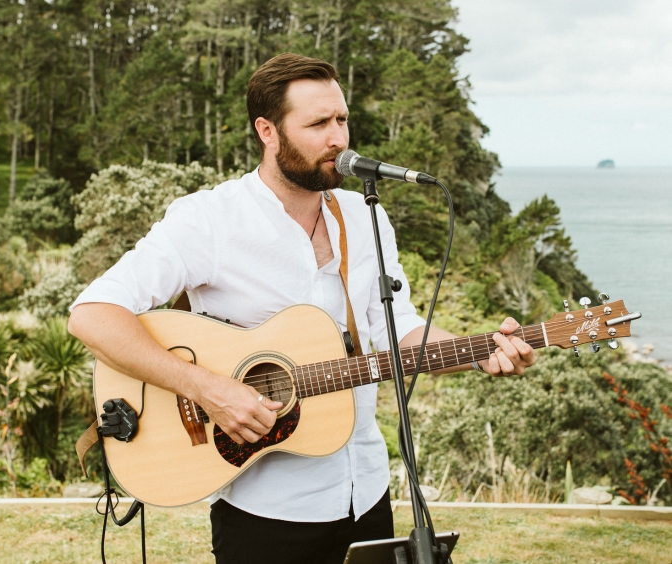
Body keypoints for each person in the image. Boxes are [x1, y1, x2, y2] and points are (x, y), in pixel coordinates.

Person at [68, 53, 535, 564]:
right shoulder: (211, 221)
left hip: (368, 492)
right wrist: (209, 389)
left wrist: (478, 352)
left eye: (342, 120)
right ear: (267, 131)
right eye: (318, 124)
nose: (338, 139)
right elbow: (92, 314)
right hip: (265, 511)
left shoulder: (366, 218)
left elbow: (398, 327)